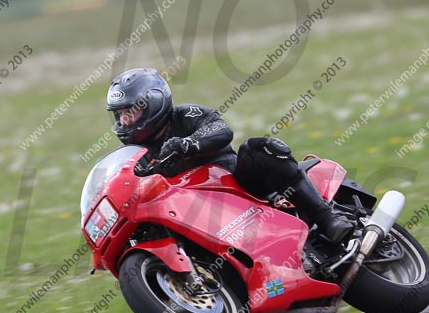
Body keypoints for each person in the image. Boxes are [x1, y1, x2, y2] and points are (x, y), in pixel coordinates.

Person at [105, 67, 353, 244]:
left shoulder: (185, 116)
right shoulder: (134, 156)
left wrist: (186, 144)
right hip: (196, 215)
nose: (125, 121)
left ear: (153, 102)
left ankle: (326, 217)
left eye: (130, 111)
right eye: (120, 115)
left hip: (238, 185)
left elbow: (221, 130)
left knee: (259, 149)